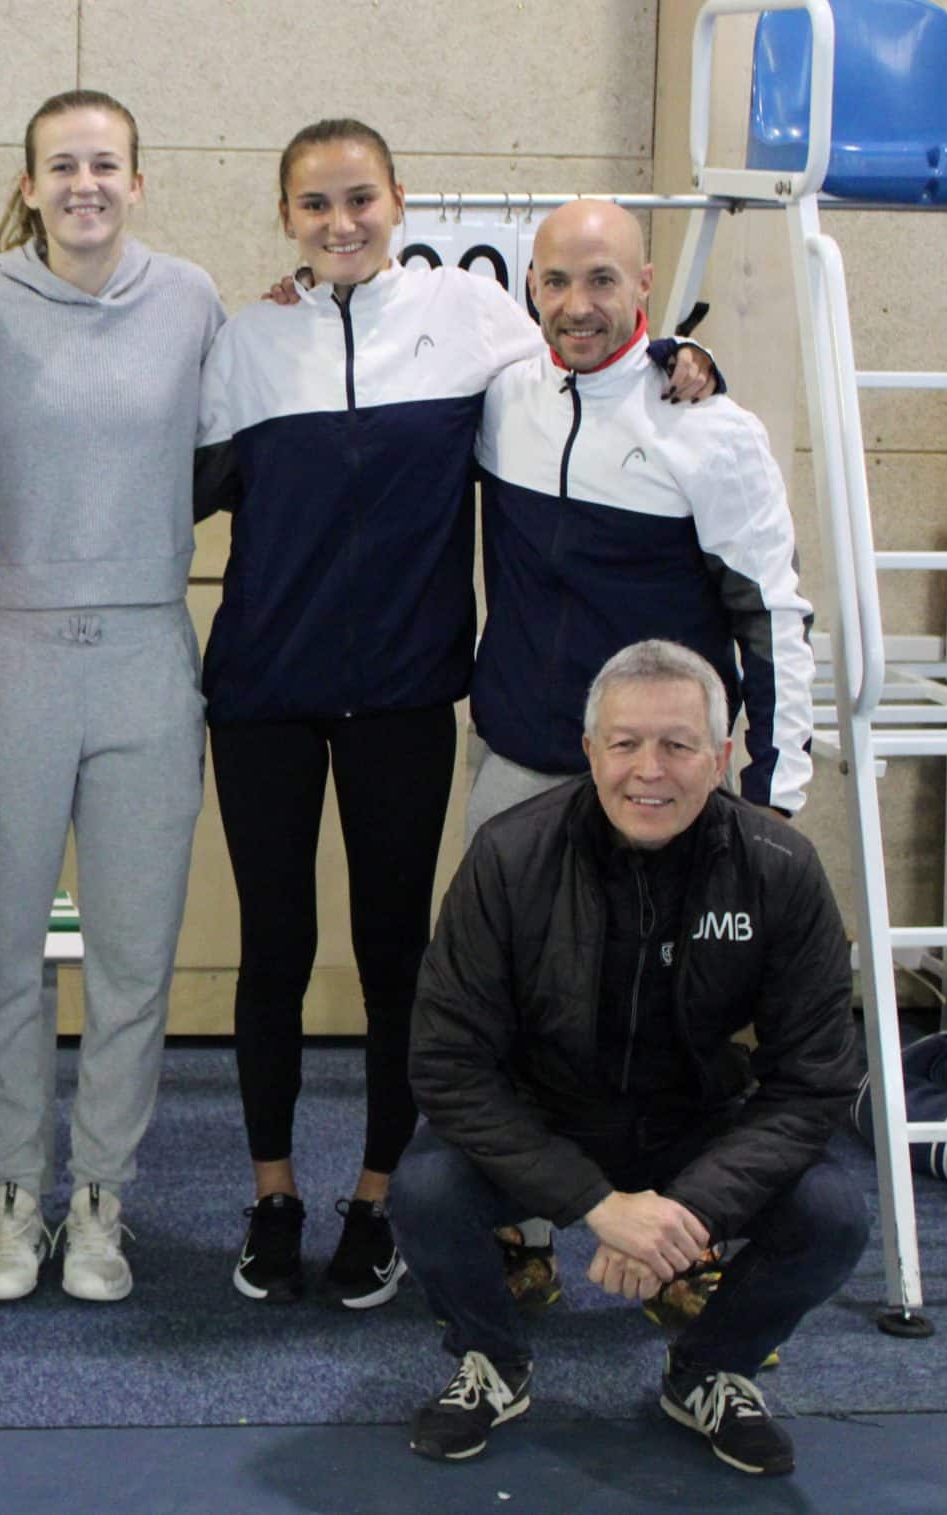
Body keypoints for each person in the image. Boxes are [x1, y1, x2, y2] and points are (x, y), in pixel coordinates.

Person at [196, 125, 715, 1308]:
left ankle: (376, 1201)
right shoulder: (247, 340)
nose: (341, 223)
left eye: (361, 199)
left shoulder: (472, 318)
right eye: (315, 204)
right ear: (286, 217)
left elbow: (592, 350)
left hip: (404, 697)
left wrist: (683, 351)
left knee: (397, 959)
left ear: (399, 201)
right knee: (272, 954)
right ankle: (273, 1192)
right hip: (262, 696)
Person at [390, 641, 867, 1477]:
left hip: (700, 1130)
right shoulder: (508, 856)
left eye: (679, 745)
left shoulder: (782, 871)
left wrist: (685, 1209)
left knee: (834, 1213)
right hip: (550, 1121)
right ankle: (494, 1361)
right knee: (425, 1188)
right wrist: (597, 1205)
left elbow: (813, 1081)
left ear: (722, 757)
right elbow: (447, 1066)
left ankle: (712, 1369)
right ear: (589, 751)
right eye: (625, 743)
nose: (650, 770)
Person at [0, 90, 224, 1305]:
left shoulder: (191, 300)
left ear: (137, 181)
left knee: (133, 953)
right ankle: (10, 1193)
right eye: (61, 166)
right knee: (2, 951)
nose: (84, 184)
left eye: (105, 165)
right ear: (29, 183)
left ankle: (100, 1194)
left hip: (148, 644)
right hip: (12, 649)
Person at [467, 196, 813, 841]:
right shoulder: (501, 399)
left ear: (643, 282)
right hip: (517, 768)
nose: (577, 306)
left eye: (602, 279)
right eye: (557, 282)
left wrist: (774, 795)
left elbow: (773, 618)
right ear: (532, 286)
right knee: (501, 946)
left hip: (661, 784)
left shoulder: (712, 431)